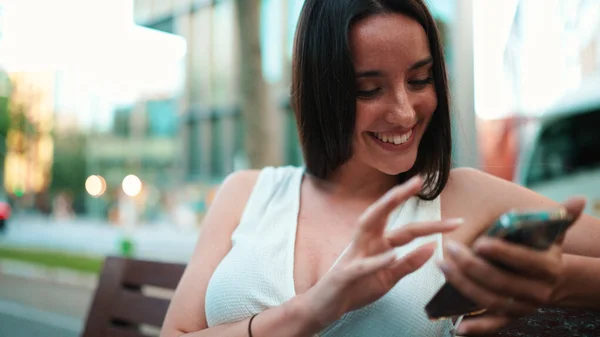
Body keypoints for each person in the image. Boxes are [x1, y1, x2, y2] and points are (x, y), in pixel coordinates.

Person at [160, 0, 600, 336]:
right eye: (369, 89)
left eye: (419, 80)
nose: (406, 113)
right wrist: (310, 311)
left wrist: (559, 281)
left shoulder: (463, 196)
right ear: (320, 92)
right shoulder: (246, 192)